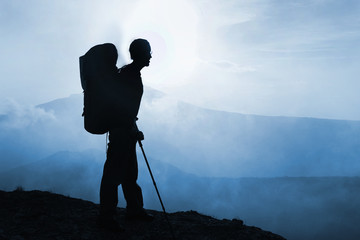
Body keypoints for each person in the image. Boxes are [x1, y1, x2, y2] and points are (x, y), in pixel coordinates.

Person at [97, 39, 153, 231]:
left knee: (129, 173)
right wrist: (131, 128)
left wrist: (133, 129)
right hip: (122, 131)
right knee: (114, 174)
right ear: (141, 54)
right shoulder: (129, 75)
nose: (151, 56)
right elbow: (121, 107)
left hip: (125, 130)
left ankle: (134, 209)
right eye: (148, 52)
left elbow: (125, 107)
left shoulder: (128, 73)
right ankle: (107, 217)